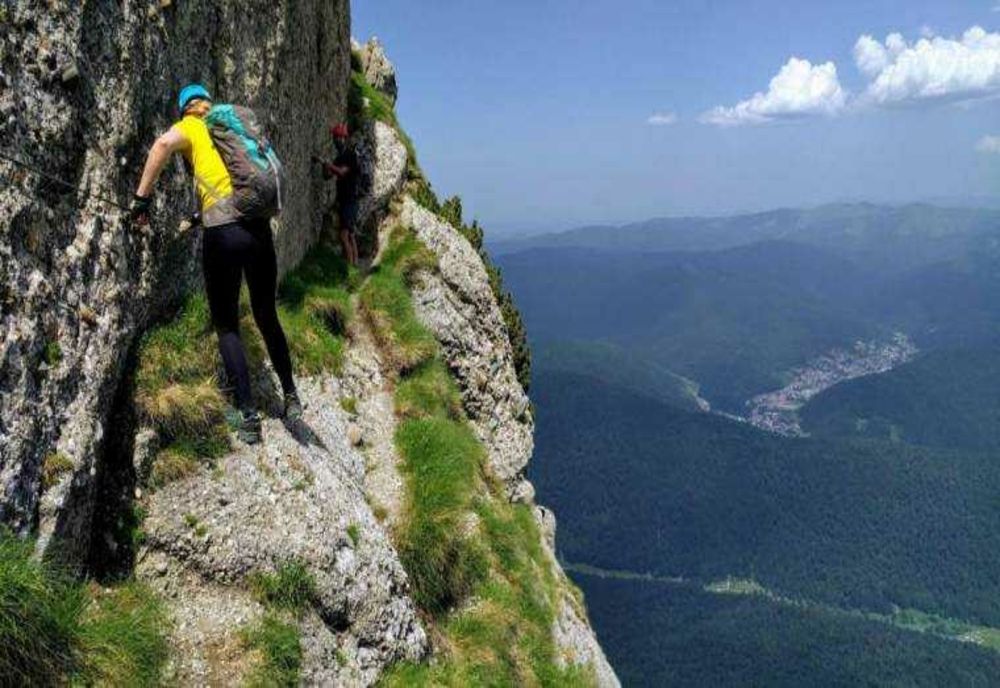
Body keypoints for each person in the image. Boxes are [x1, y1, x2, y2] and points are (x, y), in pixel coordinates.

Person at [130, 83, 302, 444]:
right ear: (208, 102)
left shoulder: (192, 126)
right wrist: (197, 217)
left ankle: (248, 417)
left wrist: (141, 200)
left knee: (226, 325)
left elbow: (162, 145)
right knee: (266, 314)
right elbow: (229, 183)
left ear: (185, 109)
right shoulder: (229, 128)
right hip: (258, 230)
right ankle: (290, 395)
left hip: (224, 234)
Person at [322, 123, 361, 265]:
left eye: (338, 138)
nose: (336, 141)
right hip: (345, 201)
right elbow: (327, 176)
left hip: (350, 201)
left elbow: (341, 172)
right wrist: (325, 166)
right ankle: (354, 264)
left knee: (345, 235)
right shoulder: (339, 158)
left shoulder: (350, 156)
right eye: (335, 138)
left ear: (344, 138)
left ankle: (351, 265)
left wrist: (328, 165)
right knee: (350, 234)